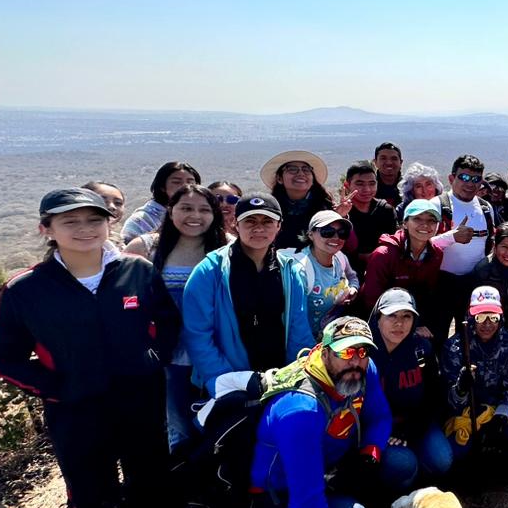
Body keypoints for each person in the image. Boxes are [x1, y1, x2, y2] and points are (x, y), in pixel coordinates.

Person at [0, 188, 179, 508]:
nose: (85, 229)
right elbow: (0, 355)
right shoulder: (26, 289)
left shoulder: (137, 270)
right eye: (70, 221)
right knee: (92, 497)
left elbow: (168, 322)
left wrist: (153, 359)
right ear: (46, 229)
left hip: (140, 396)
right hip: (74, 406)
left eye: (94, 220)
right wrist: (52, 386)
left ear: (109, 224)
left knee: (151, 481)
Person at [245, 317, 390, 508]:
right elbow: (307, 498)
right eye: (346, 352)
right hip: (282, 493)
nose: (356, 361)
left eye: (362, 351)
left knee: (398, 466)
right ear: (324, 354)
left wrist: (370, 454)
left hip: (330, 469)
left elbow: (380, 416)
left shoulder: (364, 370)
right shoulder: (300, 409)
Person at [125, 184, 229, 450]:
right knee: (177, 418)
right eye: (186, 208)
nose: (195, 216)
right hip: (167, 353)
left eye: (204, 210)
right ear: (170, 211)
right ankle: (182, 464)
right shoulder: (145, 248)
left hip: (216, 348)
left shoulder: (228, 246)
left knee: (218, 414)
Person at [182, 193, 315, 392]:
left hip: (279, 380)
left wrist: (296, 377)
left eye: (267, 221)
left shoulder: (290, 271)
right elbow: (198, 334)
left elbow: (299, 330)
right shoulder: (210, 271)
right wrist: (226, 381)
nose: (259, 228)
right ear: (236, 224)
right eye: (250, 221)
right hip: (227, 382)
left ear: (279, 225)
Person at [369, 289, 453, 493]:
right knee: (403, 465)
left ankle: (415, 474)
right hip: (379, 429)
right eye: (392, 316)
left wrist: (412, 430)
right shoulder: (364, 354)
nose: (399, 323)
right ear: (378, 318)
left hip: (415, 423)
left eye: (406, 316)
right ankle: (395, 486)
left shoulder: (421, 349)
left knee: (442, 460)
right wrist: (385, 432)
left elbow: (434, 396)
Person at [441, 287, 508, 462]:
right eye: (480, 317)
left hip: (498, 408)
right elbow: (450, 401)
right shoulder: (454, 347)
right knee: (457, 450)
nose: (487, 324)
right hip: (467, 413)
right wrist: (460, 389)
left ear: (501, 317)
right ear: (470, 316)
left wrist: (500, 417)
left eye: (493, 317)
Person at [357, 198, 446, 338]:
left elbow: (427, 294)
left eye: (432, 220)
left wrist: (417, 324)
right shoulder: (384, 254)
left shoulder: (436, 254)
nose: (425, 225)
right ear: (405, 223)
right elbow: (372, 299)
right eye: (417, 219)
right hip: (375, 320)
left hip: (408, 316)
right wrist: (406, 328)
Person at [436, 154, 497, 334]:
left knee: (470, 336)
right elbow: (420, 245)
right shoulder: (437, 205)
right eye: (464, 177)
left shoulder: (486, 208)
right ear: (451, 178)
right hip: (441, 283)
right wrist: (451, 237)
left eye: (476, 179)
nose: (470, 183)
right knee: (438, 336)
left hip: (474, 282)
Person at [284, 211, 359, 335]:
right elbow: (295, 319)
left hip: (331, 335)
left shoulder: (340, 258)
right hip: (306, 340)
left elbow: (352, 277)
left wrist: (353, 289)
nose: (336, 237)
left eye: (342, 233)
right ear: (310, 234)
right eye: (327, 232)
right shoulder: (300, 270)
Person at [262, 150, 335, 250]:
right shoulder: (269, 209)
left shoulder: (326, 206)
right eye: (292, 169)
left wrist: (339, 216)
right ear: (279, 178)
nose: (301, 173)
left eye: (306, 169)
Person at [122, 161, 201, 243]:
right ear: (162, 187)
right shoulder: (141, 219)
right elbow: (126, 246)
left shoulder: (201, 215)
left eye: (191, 182)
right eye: (177, 182)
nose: (185, 186)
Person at [339, 161, 397, 268]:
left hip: (382, 267)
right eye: (360, 184)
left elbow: (392, 244)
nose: (367, 189)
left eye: (372, 183)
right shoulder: (341, 212)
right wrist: (340, 217)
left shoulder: (386, 210)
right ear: (347, 185)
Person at [374, 142, 404, 209]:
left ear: (401, 162)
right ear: (375, 162)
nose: (389, 163)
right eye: (383, 158)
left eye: (394, 158)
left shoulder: (408, 188)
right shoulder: (368, 189)